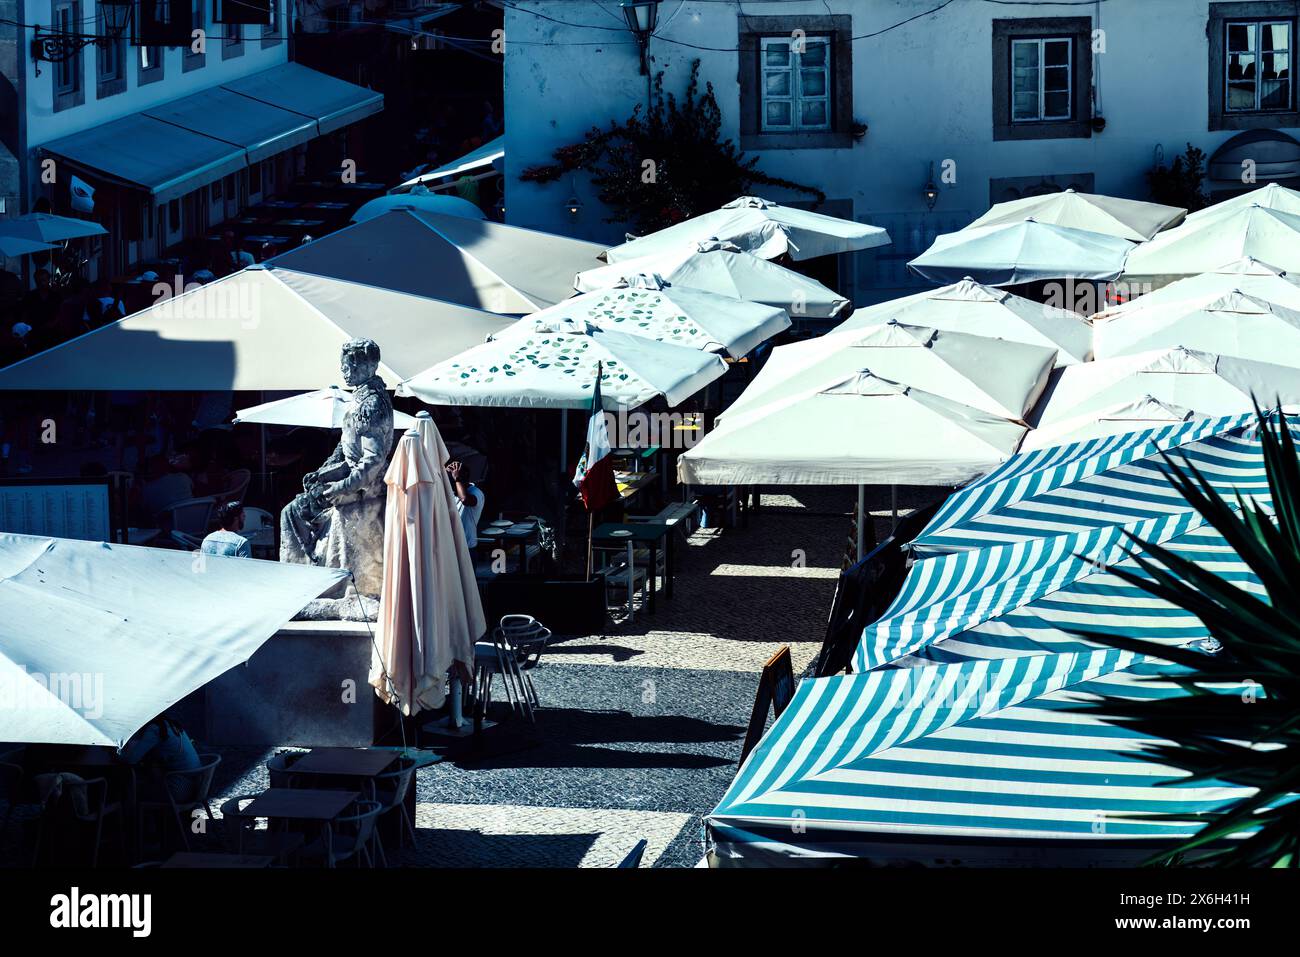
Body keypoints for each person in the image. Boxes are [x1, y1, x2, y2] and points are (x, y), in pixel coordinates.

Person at [117, 714, 202, 801]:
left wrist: (114, 754)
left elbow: (131, 760)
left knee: (132, 789)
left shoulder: (155, 729)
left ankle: (128, 813)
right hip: (195, 787)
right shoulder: (170, 725)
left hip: (178, 790)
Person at [447, 460, 483, 547]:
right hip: (451, 547)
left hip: (467, 547)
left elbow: (464, 499)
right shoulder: (450, 493)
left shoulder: (476, 492)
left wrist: (457, 479)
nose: (449, 481)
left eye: (451, 477)